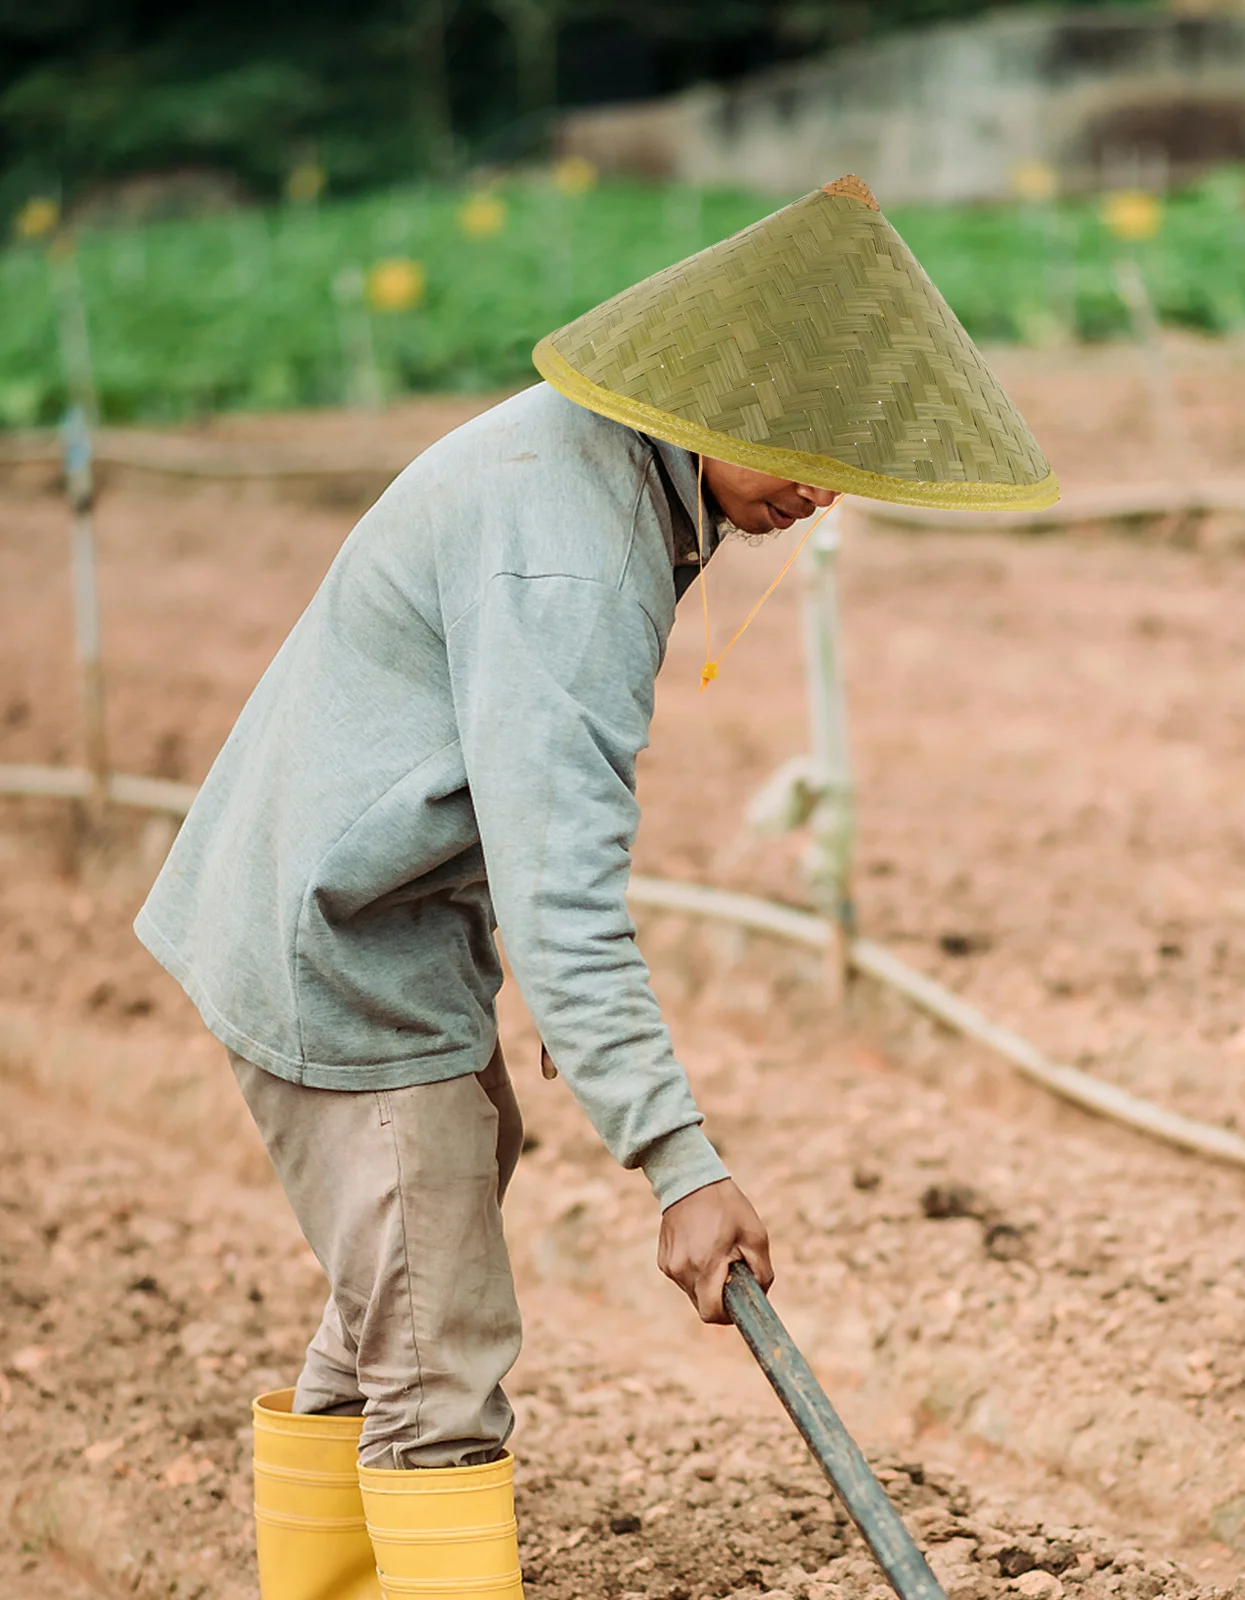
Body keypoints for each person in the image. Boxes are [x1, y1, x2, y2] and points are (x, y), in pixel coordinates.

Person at [135, 172, 1057, 1600]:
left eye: (845, 460)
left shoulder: (600, 465)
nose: (823, 489)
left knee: (418, 1260)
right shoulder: (569, 556)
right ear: (720, 398)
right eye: (806, 447)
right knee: (436, 1364)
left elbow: (529, 832)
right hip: (334, 940)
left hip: (372, 912)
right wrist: (682, 1164)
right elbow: (560, 882)